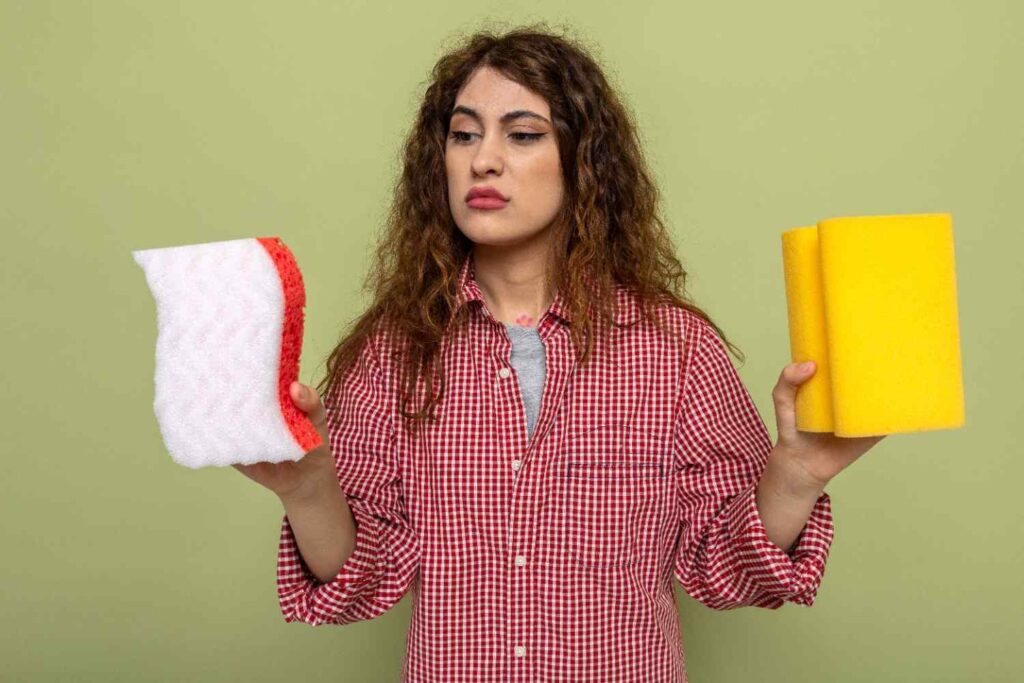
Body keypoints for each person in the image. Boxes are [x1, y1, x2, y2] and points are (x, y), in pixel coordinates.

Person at [233, 24, 884, 683]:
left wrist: (794, 479)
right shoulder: (390, 354)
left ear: (583, 161)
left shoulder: (677, 349)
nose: (483, 159)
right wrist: (310, 488)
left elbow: (729, 573)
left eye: (521, 134)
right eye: (464, 134)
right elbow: (359, 580)